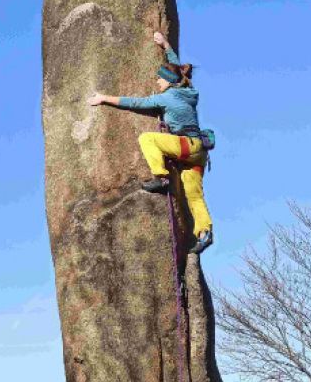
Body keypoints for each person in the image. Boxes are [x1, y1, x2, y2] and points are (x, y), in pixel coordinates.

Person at [86, 29, 215, 254]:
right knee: (193, 195)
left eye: (160, 78)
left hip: (185, 146)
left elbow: (135, 103)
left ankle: (161, 178)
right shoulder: (189, 91)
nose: (157, 81)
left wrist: (104, 98)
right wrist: (165, 45)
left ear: (168, 81)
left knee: (147, 139)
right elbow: (177, 67)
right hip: (199, 153)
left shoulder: (166, 98)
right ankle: (204, 232)